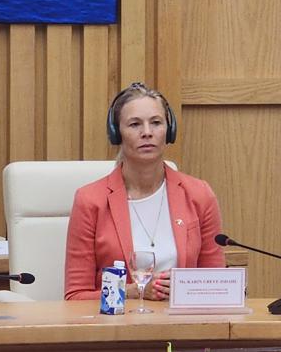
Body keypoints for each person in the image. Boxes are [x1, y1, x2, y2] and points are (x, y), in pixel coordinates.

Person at [64, 82, 224, 301]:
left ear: (170, 130)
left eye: (156, 123)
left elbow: (216, 286)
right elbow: (75, 296)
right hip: (117, 329)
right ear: (116, 134)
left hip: (184, 328)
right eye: (135, 124)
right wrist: (134, 291)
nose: (147, 132)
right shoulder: (90, 201)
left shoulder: (199, 194)